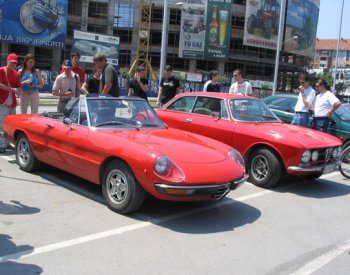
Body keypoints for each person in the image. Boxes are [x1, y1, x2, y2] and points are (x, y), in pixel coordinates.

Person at [0, 53, 22, 153]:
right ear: (7, 61)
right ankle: (1, 145)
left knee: (11, 125)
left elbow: (19, 86)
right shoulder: (1, 70)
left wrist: (19, 91)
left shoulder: (16, 74)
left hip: (12, 103)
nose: (13, 65)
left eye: (15, 63)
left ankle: (8, 143)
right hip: (2, 102)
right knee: (1, 125)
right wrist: (13, 90)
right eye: (12, 63)